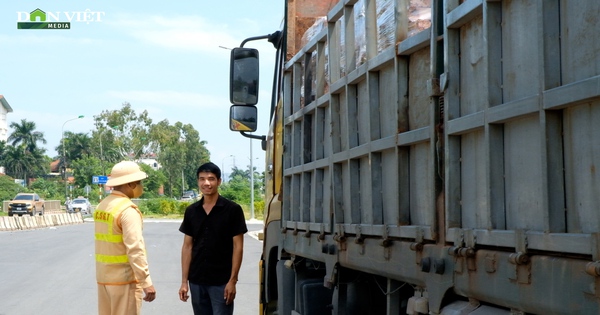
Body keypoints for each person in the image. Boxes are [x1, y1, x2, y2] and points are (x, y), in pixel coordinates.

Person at [179, 162, 248, 315]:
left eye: (211, 179)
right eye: (202, 179)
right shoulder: (192, 211)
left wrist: (232, 281)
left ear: (219, 181)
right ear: (198, 182)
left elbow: (238, 247)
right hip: (197, 281)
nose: (206, 183)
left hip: (222, 282)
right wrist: (184, 281)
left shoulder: (233, 210)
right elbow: (187, 247)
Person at [94, 161, 156, 315]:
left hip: (104, 279)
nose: (141, 186)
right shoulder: (127, 210)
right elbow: (135, 249)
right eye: (139, 182)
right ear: (131, 184)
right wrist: (146, 282)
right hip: (124, 281)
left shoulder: (102, 206)